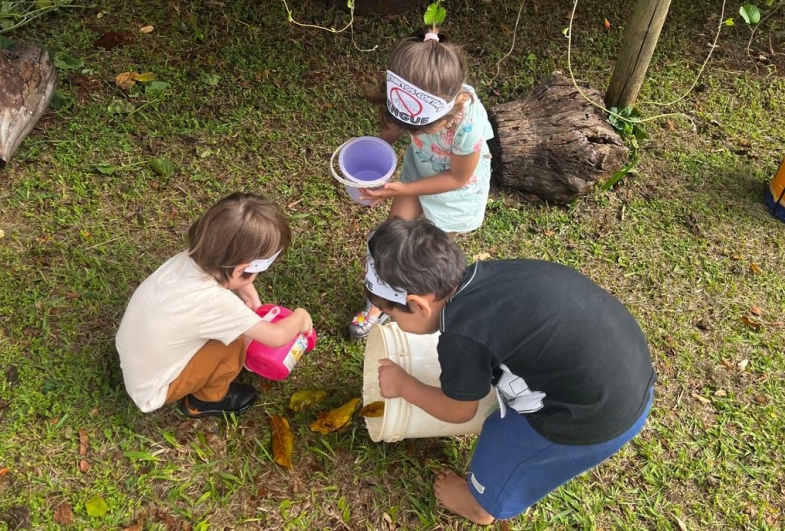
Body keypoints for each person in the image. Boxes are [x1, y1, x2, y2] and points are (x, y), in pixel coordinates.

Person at [367, 218, 657, 525]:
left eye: (391, 314)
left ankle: (480, 506)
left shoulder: (462, 335)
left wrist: (403, 385)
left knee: (503, 435)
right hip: (631, 372)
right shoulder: (491, 276)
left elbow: (458, 410)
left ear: (418, 305)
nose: (394, 323)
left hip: (591, 418)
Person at [347, 27, 494, 339]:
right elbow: (393, 130)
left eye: (421, 129)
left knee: (421, 253)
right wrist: (378, 161)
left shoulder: (469, 126)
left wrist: (400, 189)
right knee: (393, 237)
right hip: (419, 171)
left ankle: (408, 298)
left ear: (451, 109)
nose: (413, 133)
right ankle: (380, 302)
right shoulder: (412, 92)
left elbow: (457, 176)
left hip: (457, 192)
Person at [115, 192, 313, 418]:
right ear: (240, 270)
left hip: (134, 353)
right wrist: (300, 317)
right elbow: (276, 336)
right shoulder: (216, 303)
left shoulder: (188, 259)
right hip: (155, 387)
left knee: (227, 330)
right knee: (233, 344)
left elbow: (229, 275)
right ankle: (205, 400)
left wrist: (247, 294)